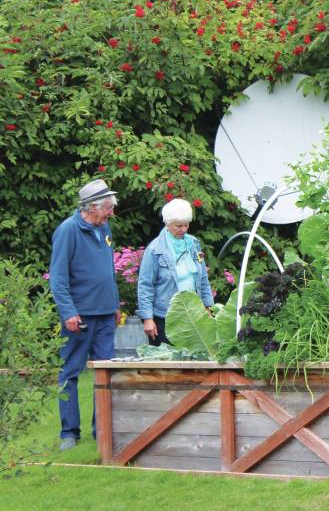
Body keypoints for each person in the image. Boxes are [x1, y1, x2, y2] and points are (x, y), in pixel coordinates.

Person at [49, 179, 121, 451]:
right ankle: (69, 433)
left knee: (105, 374)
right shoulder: (68, 231)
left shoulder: (104, 227)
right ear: (92, 207)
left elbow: (108, 270)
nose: (111, 213)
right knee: (70, 373)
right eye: (108, 208)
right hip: (78, 317)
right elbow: (58, 277)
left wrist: (114, 304)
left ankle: (100, 429)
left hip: (105, 315)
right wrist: (68, 311)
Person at [136, 198, 214, 346]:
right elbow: (145, 285)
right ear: (167, 223)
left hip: (192, 315)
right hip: (164, 317)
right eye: (179, 226)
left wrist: (207, 306)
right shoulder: (155, 249)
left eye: (186, 225)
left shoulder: (193, 243)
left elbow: (202, 278)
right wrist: (147, 318)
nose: (183, 229)